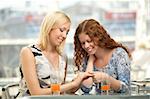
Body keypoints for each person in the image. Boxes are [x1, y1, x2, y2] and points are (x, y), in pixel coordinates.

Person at [17, 11, 93, 97]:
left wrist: (78, 81)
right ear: (49, 28)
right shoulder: (29, 52)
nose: (64, 36)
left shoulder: (63, 57)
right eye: (62, 30)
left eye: (67, 32)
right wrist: (72, 84)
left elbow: (60, 90)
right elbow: (36, 93)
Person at [74, 19, 131, 95]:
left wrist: (106, 78)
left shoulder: (119, 54)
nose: (86, 46)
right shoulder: (87, 58)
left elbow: (126, 88)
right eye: (83, 43)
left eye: (89, 41)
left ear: (98, 37)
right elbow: (86, 89)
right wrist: (90, 61)